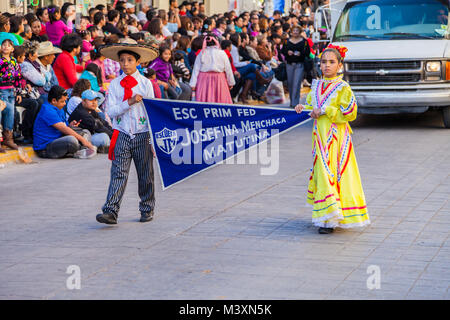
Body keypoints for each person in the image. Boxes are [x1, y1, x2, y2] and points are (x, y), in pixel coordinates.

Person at [295, 44, 370, 234]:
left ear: (339, 65)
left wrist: (327, 110)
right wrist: (303, 108)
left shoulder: (343, 87)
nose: (327, 65)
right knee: (322, 173)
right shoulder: (316, 84)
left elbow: (351, 112)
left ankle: (330, 219)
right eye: (323, 62)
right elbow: (312, 105)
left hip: (336, 138)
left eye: (331, 62)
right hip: (319, 136)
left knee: (333, 173)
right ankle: (327, 216)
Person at [96, 42, 158, 224]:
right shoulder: (115, 85)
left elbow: (153, 111)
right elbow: (111, 111)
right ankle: (111, 210)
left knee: (145, 173)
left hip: (142, 132)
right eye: (122, 60)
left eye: (130, 60)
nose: (125, 64)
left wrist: (153, 138)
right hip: (122, 132)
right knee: (118, 173)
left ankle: (147, 208)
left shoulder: (146, 84)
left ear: (138, 62)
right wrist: (128, 102)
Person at [33, 85, 96, 159]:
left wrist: (70, 125)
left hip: (59, 139)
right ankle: (81, 149)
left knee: (85, 132)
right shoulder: (47, 110)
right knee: (71, 140)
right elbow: (64, 129)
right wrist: (83, 140)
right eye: (62, 101)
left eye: (65, 101)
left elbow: (65, 126)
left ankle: (81, 149)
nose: (65, 104)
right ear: (54, 101)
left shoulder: (59, 108)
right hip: (45, 147)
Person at [190, 34, 235, 104]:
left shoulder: (201, 54)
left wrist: (193, 84)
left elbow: (196, 69)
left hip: (204, 80)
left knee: (205, 100)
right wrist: (230, 82)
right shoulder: (222, 53)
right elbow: (228, 69)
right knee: (220, 100)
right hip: (219, 79)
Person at [68, 89, 111, 153]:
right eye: (91, 100)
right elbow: (99, 127)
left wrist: (114, 132)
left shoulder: (91, 110)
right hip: (81, 140)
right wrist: (115, 138)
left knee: (101, 119)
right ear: (83, 101)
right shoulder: (81, 112)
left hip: (90, 135)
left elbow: (103, 123)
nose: (94, 102)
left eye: (95, 100)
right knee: (104, 137)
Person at [0, 38, 25, 151]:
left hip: (11, 90)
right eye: (3, 45)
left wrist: (18, 92)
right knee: (7, 111)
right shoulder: (0, 61)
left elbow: (18, 77)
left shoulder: (14, 61)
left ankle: (8, 138)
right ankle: (5, 138)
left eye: (8, 45)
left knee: (10, 113)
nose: (5, 47)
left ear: (12, 48)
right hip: (2, 90)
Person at [282, 25, 310, 108]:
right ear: (291, 31)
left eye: (297, 30)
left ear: (300, 31)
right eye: (294, 30)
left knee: (296, 83)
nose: (295, 32)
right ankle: (292, 101)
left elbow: (308, 52)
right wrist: (288, 52)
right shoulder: (287, 41)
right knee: (290, 83)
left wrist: (300, 53)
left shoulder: (304, 41)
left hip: (299, 65)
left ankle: (295, 103)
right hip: (289, 64)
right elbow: (283, 51)